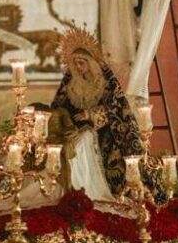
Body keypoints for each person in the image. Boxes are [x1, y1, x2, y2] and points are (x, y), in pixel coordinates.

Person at [50, 26, 164, 202]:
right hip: (73, 130)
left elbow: (117, 109)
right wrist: (65, 118)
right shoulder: (69, 82)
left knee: (84, 141)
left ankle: (87, 189)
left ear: (90, 62)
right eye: (75, 63)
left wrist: (90, 114)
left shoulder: (106, 82)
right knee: (67, 146)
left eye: (82, 62)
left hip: (103, 133)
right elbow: (58, 107)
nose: (79, 68)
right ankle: (70, 189)